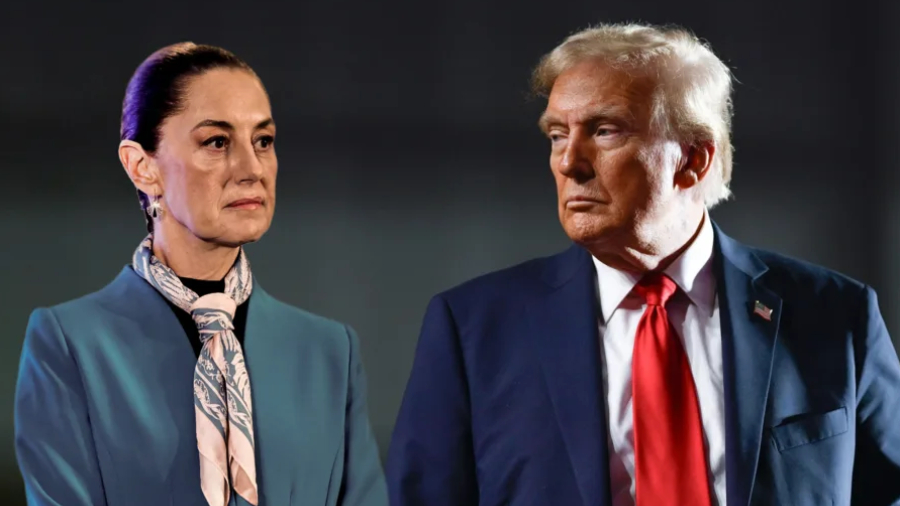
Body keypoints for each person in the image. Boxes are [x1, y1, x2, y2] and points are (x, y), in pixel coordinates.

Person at [386, 23, 900, 506]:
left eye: (604, 130)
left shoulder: (836, 315)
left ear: (693, 159)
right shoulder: (473, 328)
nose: (568, 162)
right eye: (557, 134)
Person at [15, 43, 387, 506]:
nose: (252, 169)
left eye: (263, 141)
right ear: (141, 167)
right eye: (217, 142)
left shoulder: (329, 351)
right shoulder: (72, 345)